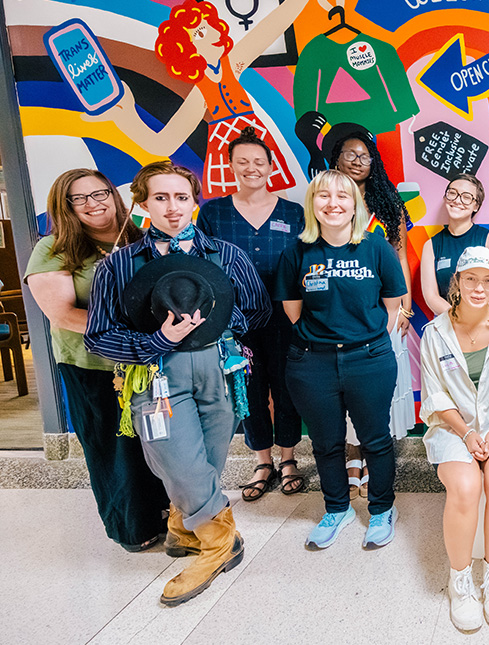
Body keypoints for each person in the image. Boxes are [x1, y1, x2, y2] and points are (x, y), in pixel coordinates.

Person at [85, 161, 270, 606]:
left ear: (194, 201)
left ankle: (183, 525)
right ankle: (220, 543)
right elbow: (99, 334)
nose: (173, 208)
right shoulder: (122, 265)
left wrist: (219, 325)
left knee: (206, 457)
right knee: (177, 459)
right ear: (144, 203)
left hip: (220, 370)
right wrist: (156, 340)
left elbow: (257, 310)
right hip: (157, 374)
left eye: (182, 198)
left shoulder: (225, 256)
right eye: (161, 198)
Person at [24, 169, 169, 551]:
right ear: (65, 205)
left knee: (155, 443)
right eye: (80, 198)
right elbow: (62, 314)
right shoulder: (53, 249)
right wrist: (126, 334)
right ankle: (133, 528)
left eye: (100, 193)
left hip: (146, 364)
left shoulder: (142, 237)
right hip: (93, 367)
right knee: (114, 448)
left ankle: (169, 513)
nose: (94, 203)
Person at [275, 170, 407, 551]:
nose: (333, 203)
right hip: (311, 363)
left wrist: (356, 336)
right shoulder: (296, 251)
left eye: (342, 197)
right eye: (323, 196)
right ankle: (337, 508)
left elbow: (391, 303)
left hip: (369, 359)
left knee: (376, 439)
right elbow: (294, 311)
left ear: (355, 206)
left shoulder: (375, 247)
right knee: (325, 443)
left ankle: (382, 509)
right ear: (312, 204)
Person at [420, 247, 489, 631]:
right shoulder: (434, 333)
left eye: (487, 280)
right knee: (466, 487)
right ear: (458, 282)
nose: (478, 287)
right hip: (453, 427)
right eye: (471, 279)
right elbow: (435, 395)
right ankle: (460, 579)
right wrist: (467, 433)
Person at [97, 0, 304, 197]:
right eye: (201, 33)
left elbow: (271, 27)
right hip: (226, 154)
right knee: (235, 215)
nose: (214, 33)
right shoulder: (202, 91)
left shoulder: (232, 64)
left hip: (258, 143)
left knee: (276, 200)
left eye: (211, 26)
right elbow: (165, 143)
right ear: (186, 48)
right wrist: (126, 118)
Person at [197, 126, 306, 501]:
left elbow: (306, 266)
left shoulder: (293, 213)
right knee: (248, 390)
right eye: (242, 161)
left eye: (259, 161)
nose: (251, 168)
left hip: (286, 316)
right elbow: (202, 267)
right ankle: (263, 460)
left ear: (271, 166)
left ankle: (290, 458)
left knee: (288, 388)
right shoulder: (213, 214)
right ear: (230, 165)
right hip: (235, 322)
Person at [327, 124, 416, 494]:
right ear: (335, 160)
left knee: (377, 385)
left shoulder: (388, 204)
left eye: (364, 155)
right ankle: (352, 449)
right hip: (341, 310)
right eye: (350, 154)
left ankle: (373, 449)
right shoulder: (327, 202)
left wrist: (405, 304)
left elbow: (399, 255)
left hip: (385, 307)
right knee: (344, 382)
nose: (357, 160)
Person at [419, 174, 489, 316]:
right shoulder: (431, 246)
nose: (457, 200)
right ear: (445, 198)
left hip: (484, 320)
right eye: (452, 193)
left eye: (466, 197)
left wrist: (476, 318)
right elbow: (431, 296)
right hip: (447, 323)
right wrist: (458, 318)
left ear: (476, 205)